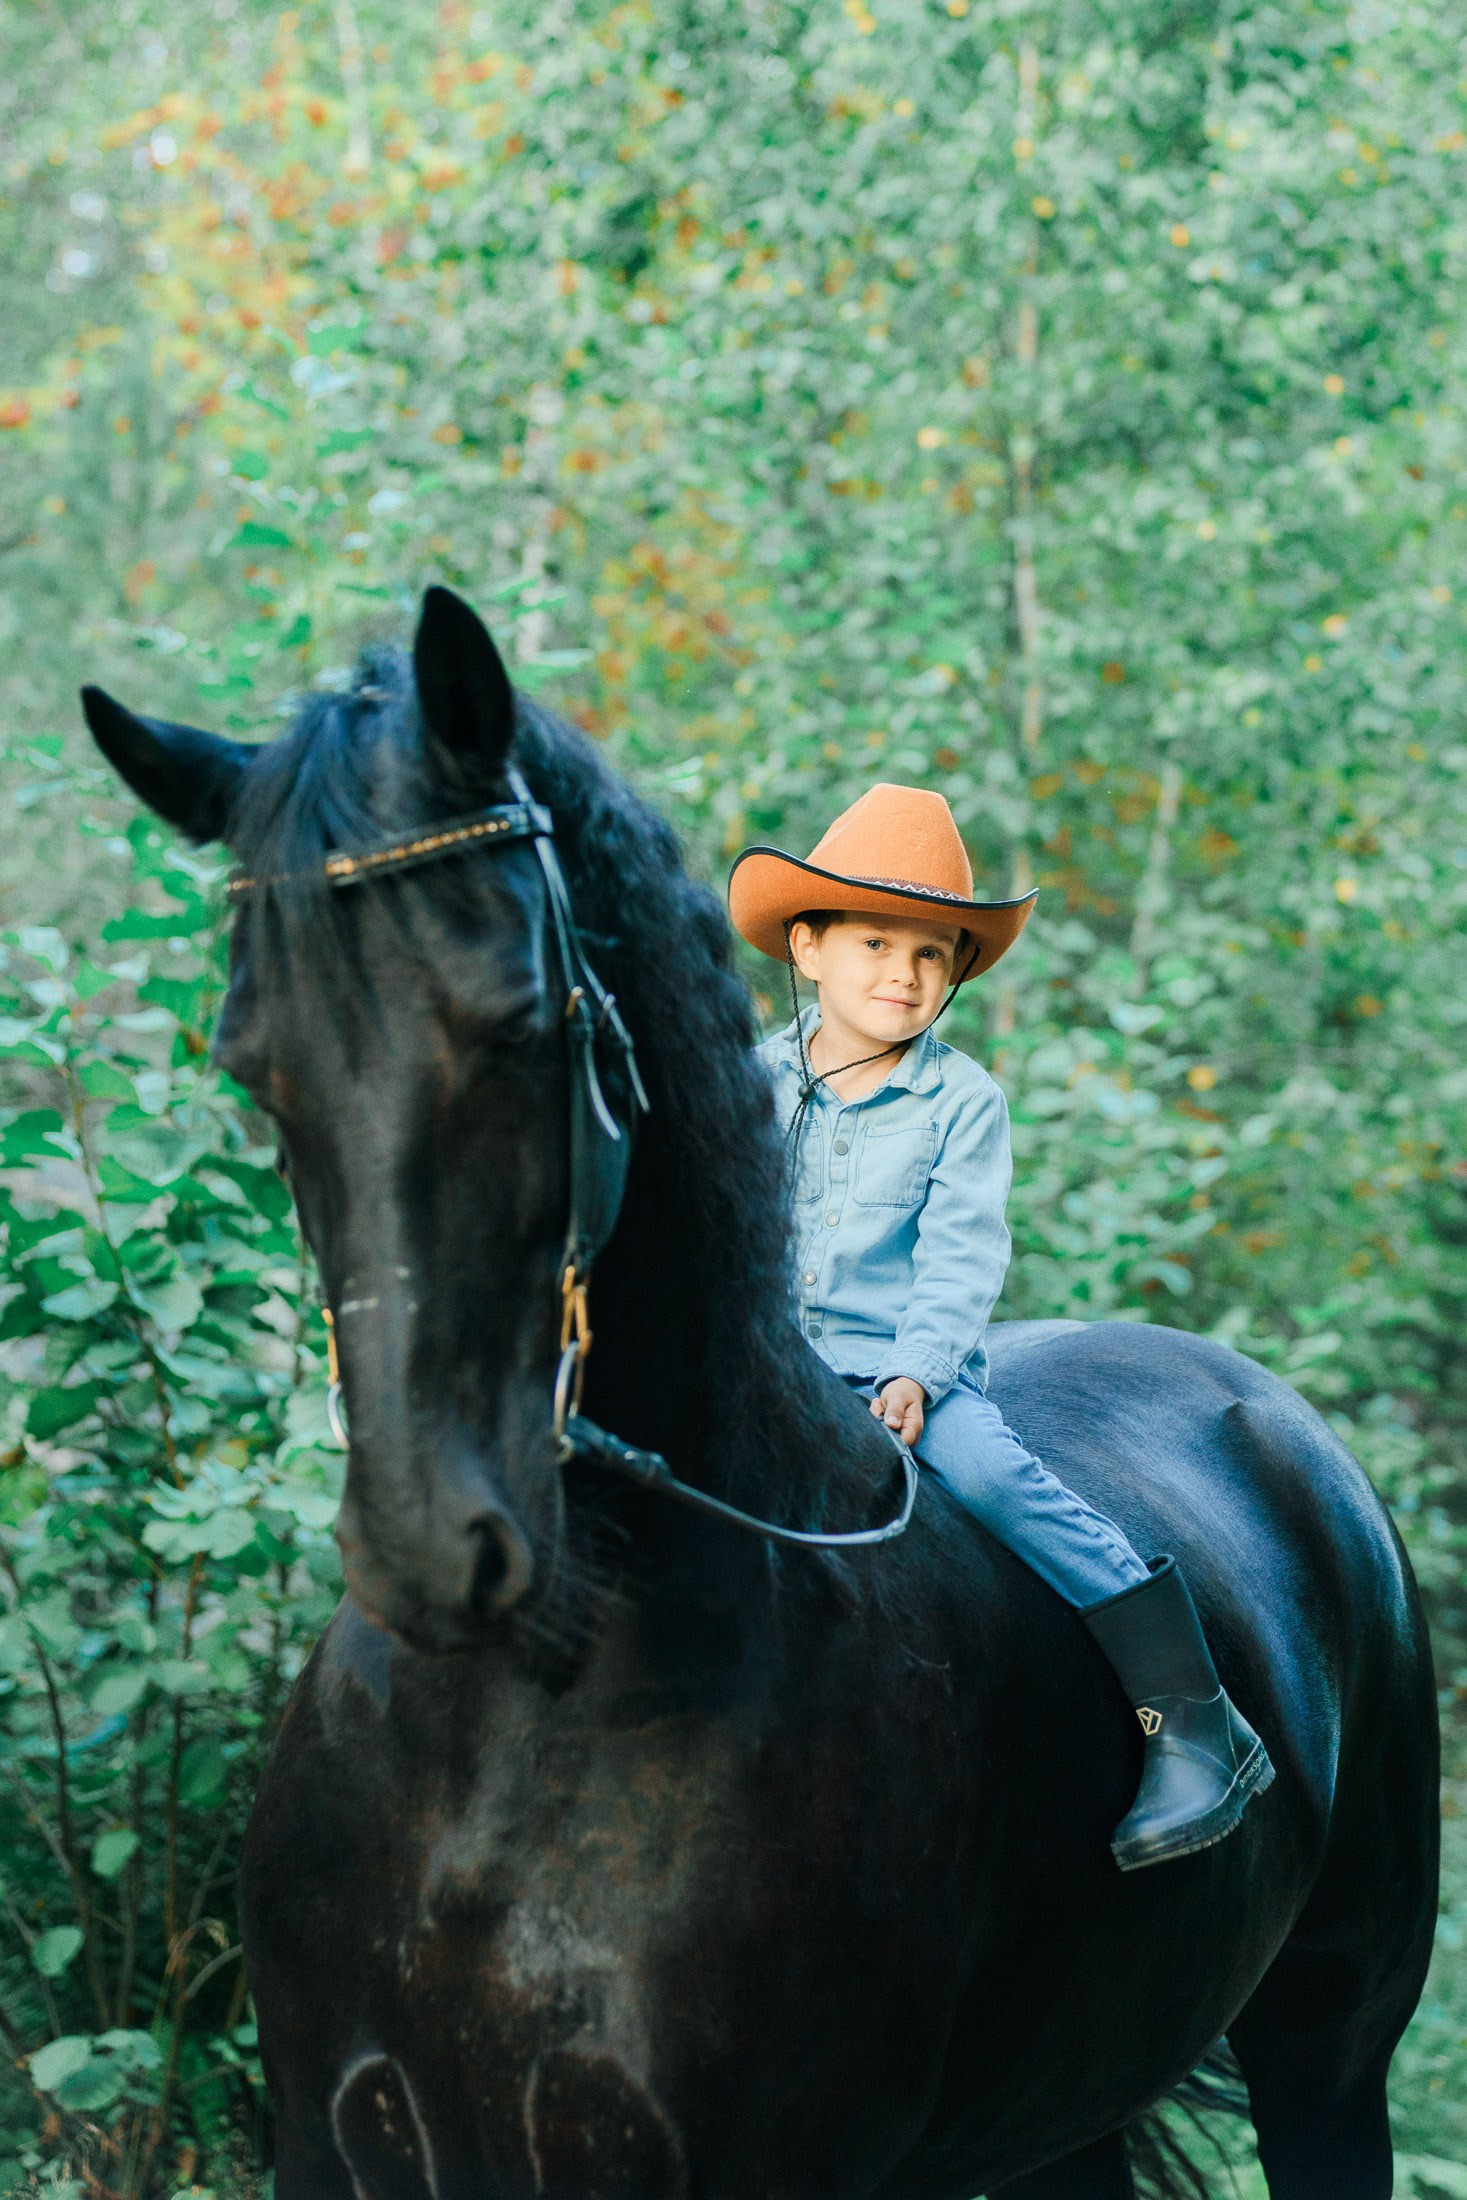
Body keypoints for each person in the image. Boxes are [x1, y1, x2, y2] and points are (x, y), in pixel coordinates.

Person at [728, 783, 1274, 1871]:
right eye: (876, 942)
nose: (904, 974)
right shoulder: (753, 1080)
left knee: (1003, 1483)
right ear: (809, 945)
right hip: (763, 1373)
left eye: (934, 955)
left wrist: (921, 1374)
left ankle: (1193, 1715)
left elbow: (963, 1253)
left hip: (901, 1382)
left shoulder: (959, 1101)